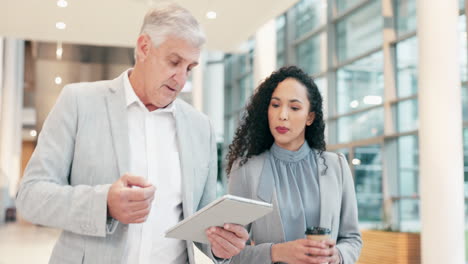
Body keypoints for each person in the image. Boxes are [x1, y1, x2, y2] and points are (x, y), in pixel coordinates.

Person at [16, 3, 248, 264]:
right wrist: (104, 204)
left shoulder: (200, 127)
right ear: (144, 47)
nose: (181, 79)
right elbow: (30, 196)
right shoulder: (79, 102)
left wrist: (220, 245)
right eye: (174, 62)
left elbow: (201, 222)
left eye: (190, 68)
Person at [226, 66, 362, 264]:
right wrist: (276, 253)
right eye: (275, 105)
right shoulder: (247, 170)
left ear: (310, 117)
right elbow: (230, 253)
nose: (282, 115)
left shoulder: (336, 166)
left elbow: (352, 238)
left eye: (294, 107)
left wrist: (338, 255)